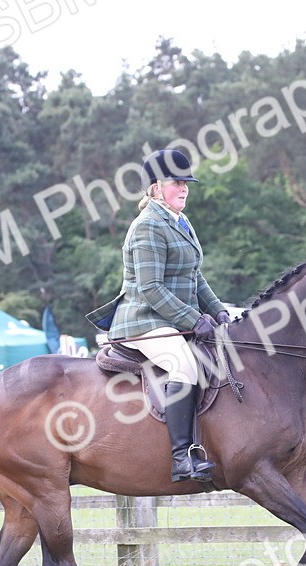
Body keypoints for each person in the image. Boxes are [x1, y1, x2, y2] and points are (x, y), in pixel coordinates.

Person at [86, 148, 231, 482]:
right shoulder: (148, 226)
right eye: (176, 182)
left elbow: (195, 278)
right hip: (143, 319)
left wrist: (219, 311)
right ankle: (181, 457)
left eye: (186, 183)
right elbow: (151, 288)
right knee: (184, 364)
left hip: (170, 319)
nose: (184, 188)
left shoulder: (181, 221)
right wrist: (194, 320)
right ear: (155, 188)